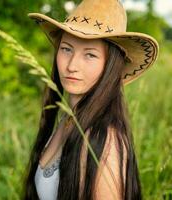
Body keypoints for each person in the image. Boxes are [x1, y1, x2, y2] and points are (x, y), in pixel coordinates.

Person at [22, 0, 159, 199]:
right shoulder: (68, 119)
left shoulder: (105, 141)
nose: (72, 66)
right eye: (66, 49)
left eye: (90, 55)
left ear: (110, 66)